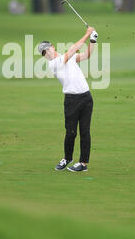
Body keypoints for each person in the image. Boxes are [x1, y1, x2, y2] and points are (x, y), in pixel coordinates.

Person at [38, 26, 98, 172]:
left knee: (85, 132)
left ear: (52, 47)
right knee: (70, 132)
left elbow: (86, 55)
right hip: (71, 100)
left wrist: (93, 40)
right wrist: (87, 34)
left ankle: (83, 163)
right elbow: (73, 49)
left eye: (47, 50)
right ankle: (67, 158)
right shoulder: (53, 64)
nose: (47, 54)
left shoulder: (67, 58)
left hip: (86, 97)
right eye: (44, 53)